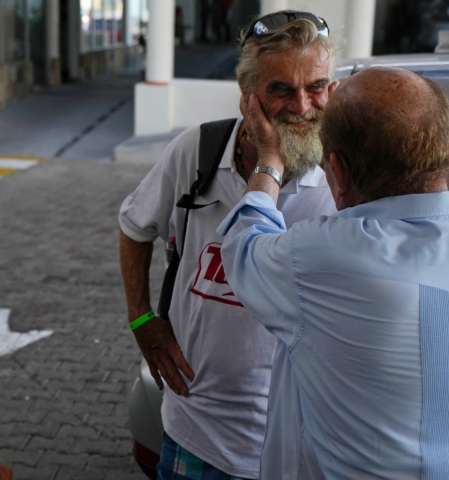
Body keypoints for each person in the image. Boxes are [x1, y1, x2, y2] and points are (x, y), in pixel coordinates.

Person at [217, 67, 449, 479]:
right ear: (448, 149)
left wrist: (268, 160)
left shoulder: (325, 255)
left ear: (338, 171)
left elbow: (243, 244)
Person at [119, 11, 337, 480]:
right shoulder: (196, 151)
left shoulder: (342, 179)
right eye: (281, 89)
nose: (302, 106)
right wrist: (141, 319)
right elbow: (134, 225)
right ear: (248, 97)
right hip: (195, 432)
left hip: (295, 445)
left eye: (315, 86)